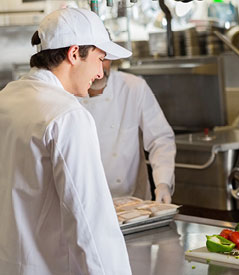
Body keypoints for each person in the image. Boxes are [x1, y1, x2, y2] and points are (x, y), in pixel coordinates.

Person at [0, 8, 133, 274]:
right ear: (74, 54)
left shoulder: (6, 99)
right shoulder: (67, 115)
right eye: (99, 58)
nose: (99, 73)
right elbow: (89, 221)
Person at [80, 58, 176, 203]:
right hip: (88, 202)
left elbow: (160, 139)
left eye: (103, 59)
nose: (100, 69)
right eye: (93, 60)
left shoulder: (133, 86)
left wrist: (163, 183)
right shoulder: (66, 93)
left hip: (134, 202)